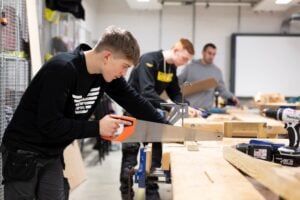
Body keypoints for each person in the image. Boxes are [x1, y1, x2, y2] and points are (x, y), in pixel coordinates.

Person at [1, 26, 167, 200]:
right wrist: (97, 128)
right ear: (107, 57)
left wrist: (170, 129)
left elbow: (134, 101)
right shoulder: (62, 69)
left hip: (52, 153)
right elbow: (49, 125)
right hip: (23, 152)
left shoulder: (105, 75)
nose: (123, 74)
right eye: (124, 66)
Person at [120, 38, 200, 200]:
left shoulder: (170, 68)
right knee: (130, 156)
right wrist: (171, 106)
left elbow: (175, 92)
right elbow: (147, 92)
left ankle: (152, 193)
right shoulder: (149, 60)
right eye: (184, 58)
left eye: (188, 61)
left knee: (155, 155)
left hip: (151, 114)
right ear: (175, 50)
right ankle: (127, 193)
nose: (184, 63)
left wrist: (186, 106)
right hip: (133, 114)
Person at [178, 43, 239, 110]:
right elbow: (178, 82)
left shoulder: (217, 72)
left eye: (214, 54)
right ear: (203, 52)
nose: (211, 56)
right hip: (190, 109)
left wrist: (232, 96)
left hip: (206, 110)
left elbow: (222, 90)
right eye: (209, 53)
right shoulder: (190, 67)